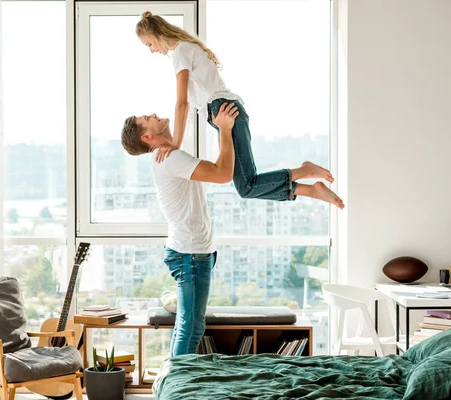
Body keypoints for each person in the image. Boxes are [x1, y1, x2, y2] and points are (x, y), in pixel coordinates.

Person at [135, 11, 344, 209]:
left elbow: (181, 103)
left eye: (149, 44)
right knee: (247, 185)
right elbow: (188, 105)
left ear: (157, 33)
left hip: (223, 111)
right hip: (225, 111)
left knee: (247, 186)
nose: (152, 50)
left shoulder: (180, 51)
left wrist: (174, 146)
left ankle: (306, 173)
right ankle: (310, 189)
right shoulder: (186, 49)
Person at [121, 102, 239, 356]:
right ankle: (176, 389)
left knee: (188, 324)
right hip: (190, 254)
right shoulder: (170, 158)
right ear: (147, 136)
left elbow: (182, 109)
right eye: (146, 117)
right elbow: (222, 174)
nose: (152, 113)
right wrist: (225, 129)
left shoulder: (167, 153)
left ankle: (174, 382)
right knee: (192, 327)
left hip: (192, 251)